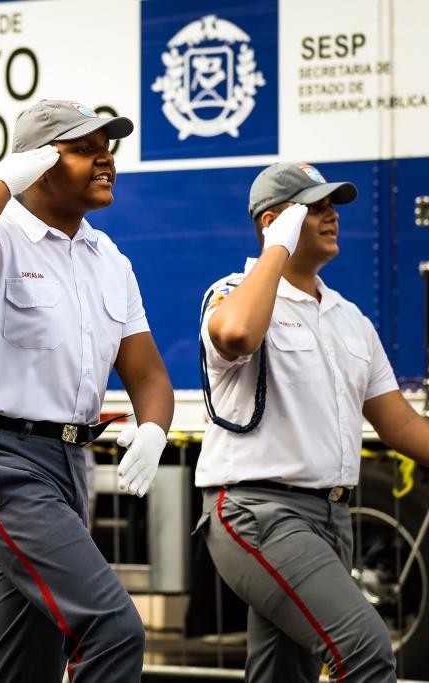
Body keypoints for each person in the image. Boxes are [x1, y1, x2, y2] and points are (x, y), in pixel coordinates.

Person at [0, 99, 174, 682]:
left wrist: (154, 427)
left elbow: (149, 374)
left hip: (68, 465)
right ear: (39, 164)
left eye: (108, 148)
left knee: (29, 660)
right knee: (112, 627)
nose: (106, 160)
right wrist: (1, 184)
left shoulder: (110, 260)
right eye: (84, 149)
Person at [197, 162, 429, 682]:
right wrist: (275, 250)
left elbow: (399, 424)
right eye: (314, 207)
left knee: (285, 675)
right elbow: (237, 335)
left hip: (331, 519)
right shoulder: (232, 292)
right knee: (365, 649)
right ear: (273, 221)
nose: (332, 216)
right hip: (258, 512)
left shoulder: (349, 318)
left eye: (333, 207)